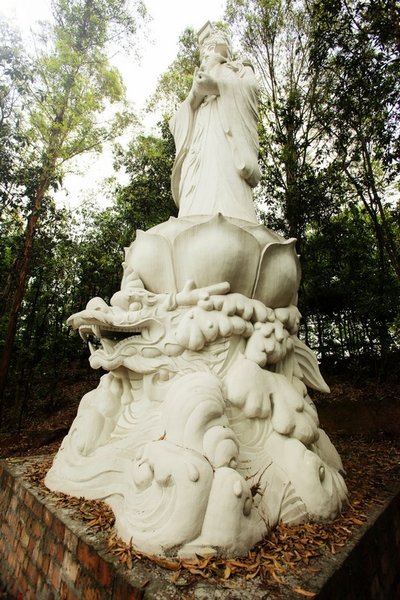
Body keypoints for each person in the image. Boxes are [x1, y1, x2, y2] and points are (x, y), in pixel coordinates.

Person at [170, 23, 261, 223]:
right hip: (199, 141)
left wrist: (217, 86)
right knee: (198, 187)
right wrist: (195, 94)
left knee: (222, 177)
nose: (207, 53)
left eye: (212, 48)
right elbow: (176, 122)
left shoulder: (239, 68)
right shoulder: (198, 79)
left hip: (225, 136)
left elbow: (251, 90)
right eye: (205, 50)